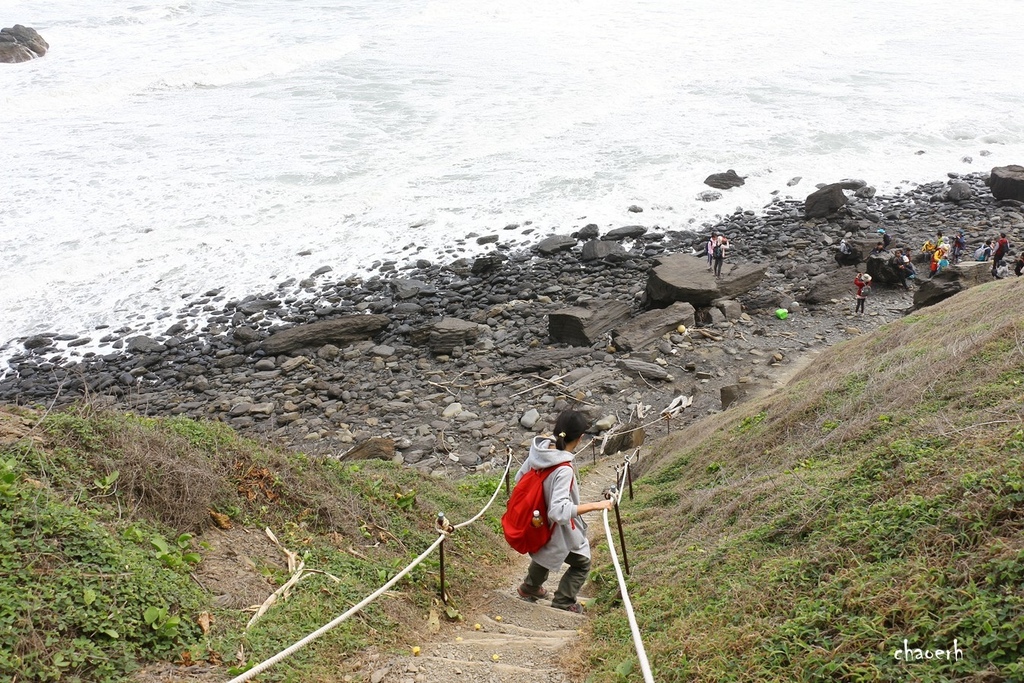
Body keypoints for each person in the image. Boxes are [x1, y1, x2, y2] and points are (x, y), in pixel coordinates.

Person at [515, 410, 613, 613]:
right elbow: (558, 512)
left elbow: (520, 478)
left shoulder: (539, 451)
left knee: (545, 551)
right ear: (580, 438)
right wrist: (597, 505)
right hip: (557, 527)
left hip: (537, 519)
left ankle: (530, 587)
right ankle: (564, 600)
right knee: (581, 562)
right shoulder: (563, 469)